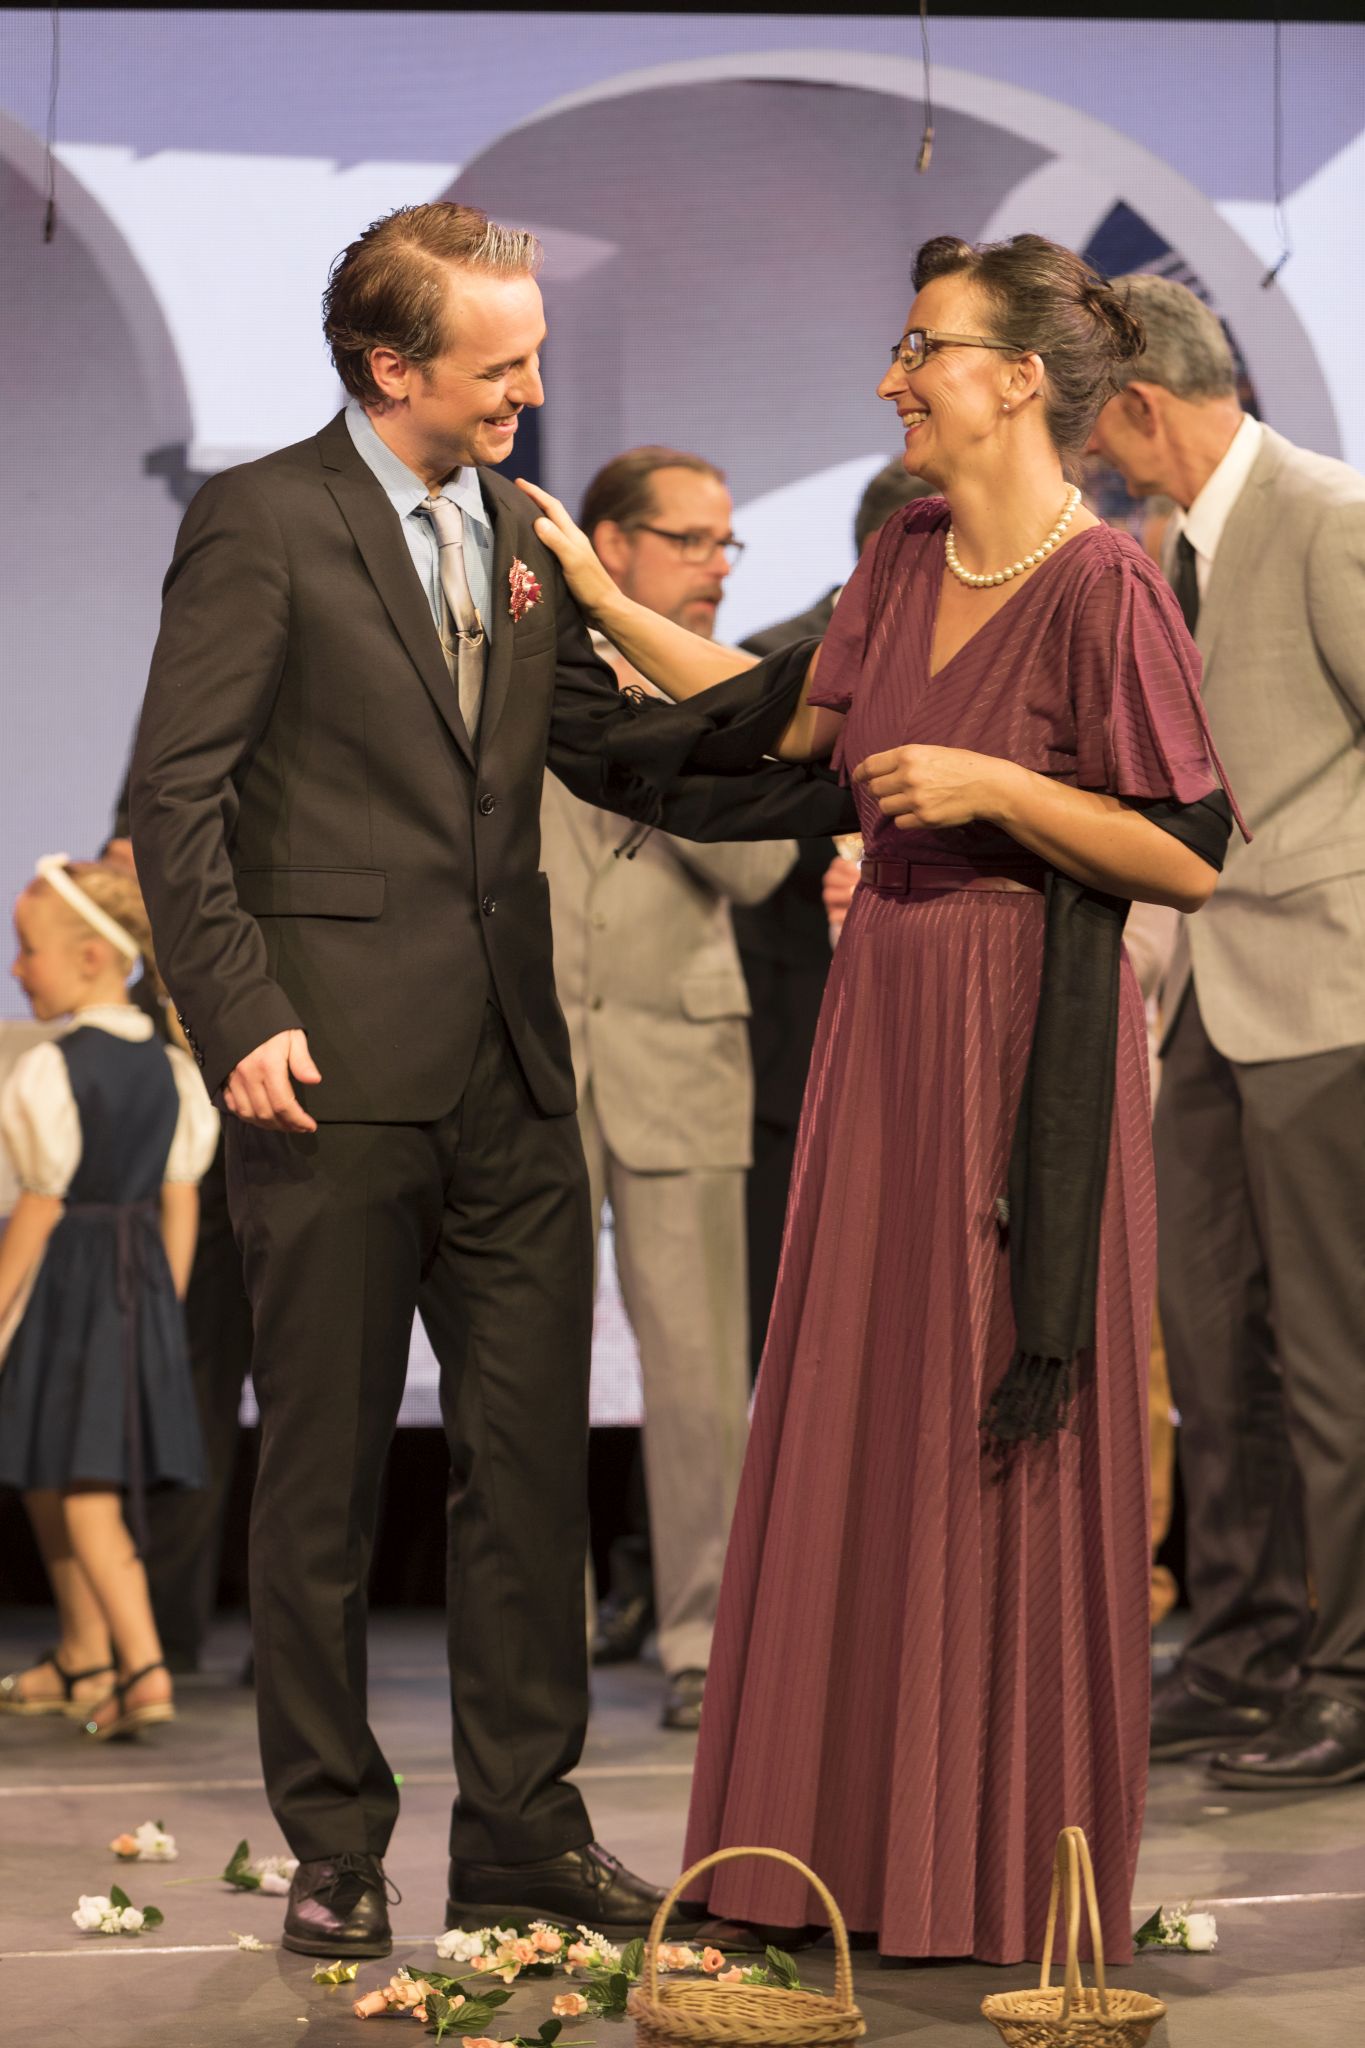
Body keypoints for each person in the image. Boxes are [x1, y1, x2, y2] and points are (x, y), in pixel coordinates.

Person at [128, 202, 849, 1960]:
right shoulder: (263, 520)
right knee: (322, 1482)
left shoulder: (522, 533)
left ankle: (525, 1834)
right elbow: (177, 793)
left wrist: (861, 769)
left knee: (524, 1472)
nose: (530, 389)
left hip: (514, 1075)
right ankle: (335, 1844)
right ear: (392, 366)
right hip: (327, 1072)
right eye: (499, 362)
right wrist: (240, 1013)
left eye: (532, 355)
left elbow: (609, 748)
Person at [521, 231, 1237, 1963]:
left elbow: (1189, 853)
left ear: (1018, 379)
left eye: (923, 348)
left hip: (1018, 1030)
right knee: (858, 1401)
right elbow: (782, 724)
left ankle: (981, 1855)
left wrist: (1001, 785)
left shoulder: (1106, 585)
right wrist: (601, 606)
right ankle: (831, 1847)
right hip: (885, 1019)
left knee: (986, 1418)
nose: (890, 376)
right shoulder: (908, 552)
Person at [1089, 275, 1365, 1789]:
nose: (1087, 446)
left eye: (1092, 415)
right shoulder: (1165, 544)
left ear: (1139, 401)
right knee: (1208, 1339)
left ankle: (1350, 1672)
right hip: (1205, 987)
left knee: (1331, 1353)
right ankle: (1247, 1644)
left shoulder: (1326, 512)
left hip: (1328, 988)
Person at [541, 445, 795, 1730]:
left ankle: (707, 1641)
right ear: (611, 543)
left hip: (683, 1054)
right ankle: (541, 1641)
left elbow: (759, 871)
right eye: (692, 539)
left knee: (699, 1375)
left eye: (725, 542)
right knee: (525, 1366)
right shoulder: (522, 665)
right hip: (534, 1052)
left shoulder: (731, 684)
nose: (717, 566)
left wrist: (666, 719)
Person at [0, 858, 217, 1737]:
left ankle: (144, 1666)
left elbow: (38, 1210)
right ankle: (86, 1653)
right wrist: (160, 1307)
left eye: (28, 950)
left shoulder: (53, 1072)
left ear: (92, 957)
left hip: (71, 1290)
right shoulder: (171, 1071)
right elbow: (180, 1202)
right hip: (133, 1295)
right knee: (48, 1470)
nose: (17, 968)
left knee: (86, 1491)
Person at [735, 461, 936, 1374]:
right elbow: (744, 848)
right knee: (789, 1326)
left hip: (931, 1034)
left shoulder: (970, 661)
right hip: (795, 1048)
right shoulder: (772, 661)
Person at [104, 814, 256, 1676]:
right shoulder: (124, 1011)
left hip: (276, 1205)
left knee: (316, 1418)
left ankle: (297, 1639)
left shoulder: (250, 970)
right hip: (183, 1235)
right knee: (187, 1414)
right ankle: (164, 1631)